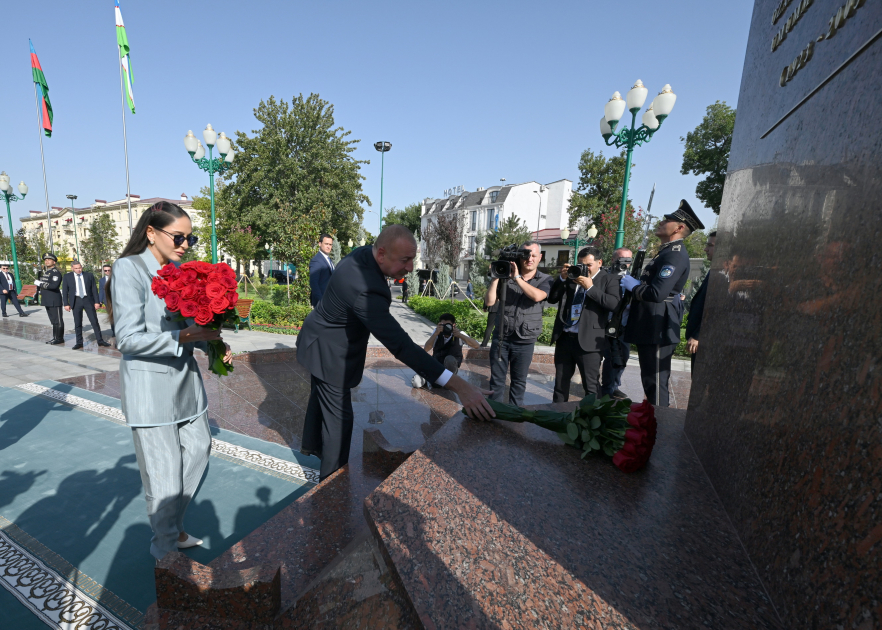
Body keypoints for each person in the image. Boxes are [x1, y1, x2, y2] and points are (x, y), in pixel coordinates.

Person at [297, 225, 494, 480]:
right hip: (327, 353)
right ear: (381, 254)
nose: (411, 268)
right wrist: (458, 385)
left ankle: (313, 448)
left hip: (320, 340)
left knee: (321, 402)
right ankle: (331, 486)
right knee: (339, 423)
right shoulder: (364, 288)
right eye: (406, 260)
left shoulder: (362, 254)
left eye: (412, 259)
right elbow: (400, 345)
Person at [105, 201, 232, 561]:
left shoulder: (179, 270)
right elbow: (127, 339)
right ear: (151, 232)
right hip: (151, 391)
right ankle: (165, 558)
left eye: (189, 238)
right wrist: (182, 339)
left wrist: (215, 345)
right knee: (163, 478)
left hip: (186, 385)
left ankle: (172, 528)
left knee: (199, 449)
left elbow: (190, 325)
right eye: (178, 237)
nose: (185, 245)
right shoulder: (129, 269)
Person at [622, 199, 704, 407]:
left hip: (658, 325)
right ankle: (652, 424)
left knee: (656, 383)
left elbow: (657, 293)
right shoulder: (666, 251)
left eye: (668, 219)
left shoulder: (674, 256)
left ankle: (661, 427)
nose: (662, 221)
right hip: (650, 323)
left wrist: (634, 286)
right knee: (650, 381)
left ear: (679, 227)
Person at [547, 247, 620, 402]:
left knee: (591, 385)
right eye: (581, 264)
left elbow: (614, 304)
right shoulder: (573, 277)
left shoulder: (609, 279)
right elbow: (552, 299)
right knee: (560, 383)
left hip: (589, 341)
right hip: (565, 337)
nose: (584, 268)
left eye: (588, 265)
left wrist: (590, 287)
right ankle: (559, 415)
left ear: (599, 263)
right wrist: (561, 278)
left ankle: (592, 420)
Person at [484, 241, 553, 407]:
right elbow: (490, 302)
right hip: (502, 336)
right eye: (526, 255)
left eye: (534, 255)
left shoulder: (545, 279)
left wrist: (517, 278)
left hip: (525, 339)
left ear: (540, 258)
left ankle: (515, 416)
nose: (529, 259)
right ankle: (494, 413)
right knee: (496, 381)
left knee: (518, 382)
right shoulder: (505, 275)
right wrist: (495, 278)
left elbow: (537, 296)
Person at [600, 248, 633, 399]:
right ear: (613, 260)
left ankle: (613, 386)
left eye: (628, 260)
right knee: (604, 357)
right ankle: (602, 388)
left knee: (621, 358)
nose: (625, 264)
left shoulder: (633, 278)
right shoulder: (604, 277)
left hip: (623, 326)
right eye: (622, 259)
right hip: (604, 324)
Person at [62, 261, 111, 349]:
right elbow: (65, 291)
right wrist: (66, 303)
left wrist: (97, 302)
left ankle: (100, 340)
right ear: (72, 268)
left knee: (94, 321)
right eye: (76, 268)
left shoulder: (89, 275)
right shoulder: (67, 277)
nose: (79, 270)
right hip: (76, 301)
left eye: (80, 268)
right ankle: (79, 342)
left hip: (88, 300)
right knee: (77, 323)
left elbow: (94, 289)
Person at [686, 231, 716, 371]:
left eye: (710, 245)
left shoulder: (723, 273)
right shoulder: (714, 270)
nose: (705, 249)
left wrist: (698, 335)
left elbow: (715, 309)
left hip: (707, 342)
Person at [418, 312, 480, 379]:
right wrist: (435, 334)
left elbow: (476, 346)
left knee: (449, 359)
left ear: (454, 325)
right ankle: (429, 377)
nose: (446, 328)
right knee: (418, 381)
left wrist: (460, 335)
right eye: (443, 325)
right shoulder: (437, 332)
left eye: (448, 325)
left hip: (451, 364)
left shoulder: (459, 333)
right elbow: (426, 349)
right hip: (438, 363)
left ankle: (450, 379)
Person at [34, 253, 64, 345]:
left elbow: (54, 286)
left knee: (58, 320)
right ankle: (55, 337)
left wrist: (40, 284)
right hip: (47, 299)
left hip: (54, 299)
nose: (46, 261)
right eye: (45, 260)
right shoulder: (46, 272)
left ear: (54, 262)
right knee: (54, 321)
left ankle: (59, 338)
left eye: (49, 260)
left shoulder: (55, 272)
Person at [308, 234, 335, 307]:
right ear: (320, 244)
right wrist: (321, 301)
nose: (328, 246)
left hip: (330, 301)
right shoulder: (316, 261)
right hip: (321, 304)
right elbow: (314, 283)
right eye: (326, 244)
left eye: (330, 244)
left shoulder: (328, 259)